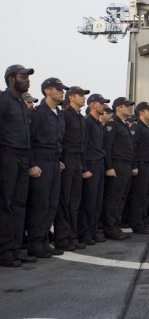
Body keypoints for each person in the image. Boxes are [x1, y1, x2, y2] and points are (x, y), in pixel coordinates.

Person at [27, 77, 67, 259]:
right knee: (40, 204)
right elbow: (31, 140)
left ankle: (44, 241)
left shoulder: (58, 113)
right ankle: (35, 243)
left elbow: (57, 141)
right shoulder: (39, 113)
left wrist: (57, 159)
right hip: (41, 162)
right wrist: (32, 164)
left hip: (53, 162)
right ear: (47, 91)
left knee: (52, 204)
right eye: (58, 89)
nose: (62, 92)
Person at [0, 64, 36, 267]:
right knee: (6, 204)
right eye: (24, 76)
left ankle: (15, 248)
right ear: (11, 79)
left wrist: (30, 162)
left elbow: (28, 137)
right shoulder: (3, 101)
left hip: (23, 158)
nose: (28, 80)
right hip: (7, 156)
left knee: (19, 204)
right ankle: (4, 250)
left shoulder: (22, 105)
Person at [55, 86, 90, 251]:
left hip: (78, 160)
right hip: (67, 159)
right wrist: (60, 159)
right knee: (65, 200)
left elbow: (83, 145)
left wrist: (82, 165)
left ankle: (72, 236)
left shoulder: (80, 118)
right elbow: (60, 138)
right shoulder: (65, 115)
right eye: (81, 95)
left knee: (75, 201)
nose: (84, 98)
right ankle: (62, 238)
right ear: (71, 97)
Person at [102, 97, 137, 240]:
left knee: (122, 197)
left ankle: (116, 226)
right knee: (114, 198)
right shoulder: (112, 125)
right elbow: (107, 147)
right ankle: (110, 228)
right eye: (126, 106)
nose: (130, 108)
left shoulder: (123, 125)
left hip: (126, 166)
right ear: (118, 108)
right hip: (117, 165)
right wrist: (109, 166)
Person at [78, 94, 110, 245]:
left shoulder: (98, 124)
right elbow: (83, 147)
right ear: (92, 105)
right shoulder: (87, 123)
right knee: (89, 202)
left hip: (99, 164)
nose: (103, 106)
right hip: (90, 164)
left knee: (97, 202)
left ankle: (92, 230)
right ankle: (85, 233)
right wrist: (84, 167)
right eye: (101, 103)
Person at [130, 102, 149, 233]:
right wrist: (134, 165)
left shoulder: (147, 128)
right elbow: (133, 148)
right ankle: (137, 224)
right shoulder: (137, 127)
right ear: (141, 112)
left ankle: (143, 221)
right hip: (141, 165)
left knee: (147, 194)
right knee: (140, 195)